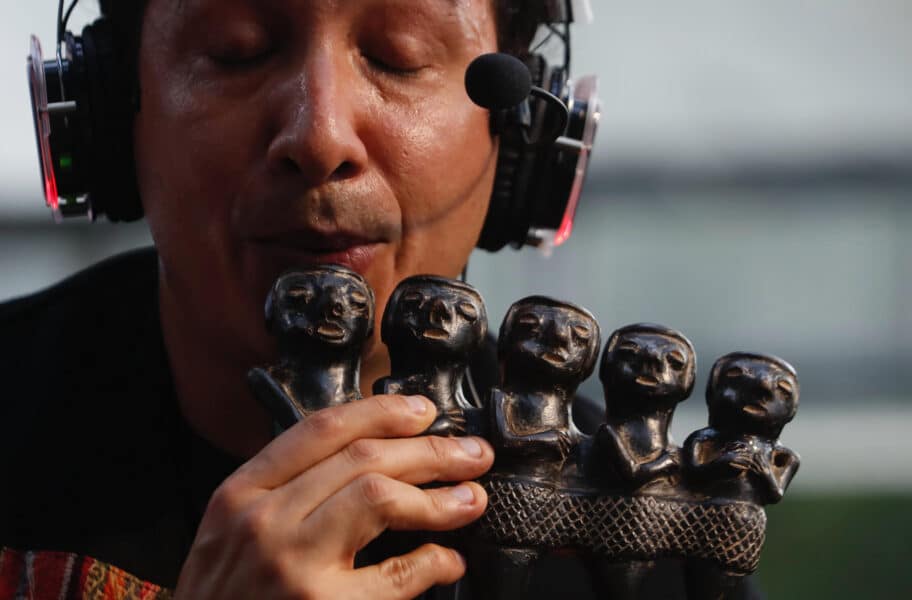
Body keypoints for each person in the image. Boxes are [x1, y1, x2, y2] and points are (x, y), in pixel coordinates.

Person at [0, 1, 761, 598]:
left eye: (400, 55)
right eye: (237, 50)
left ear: (521, 136)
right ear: (108, 106)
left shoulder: (641, 542)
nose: (321, 136)